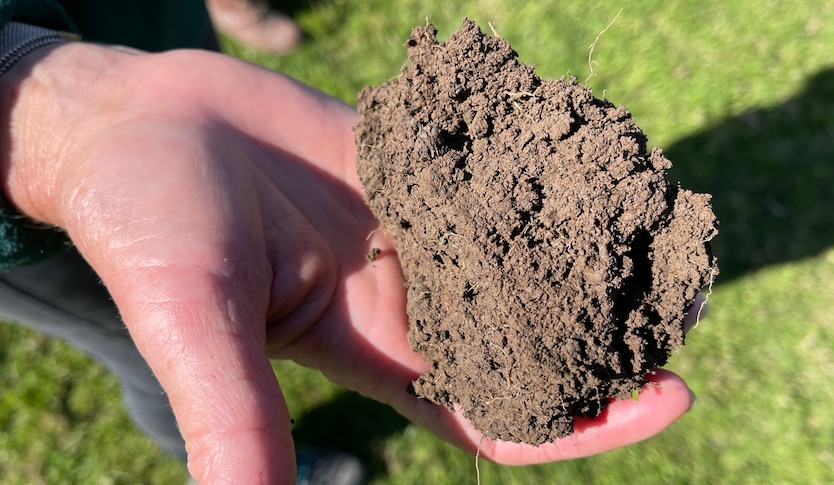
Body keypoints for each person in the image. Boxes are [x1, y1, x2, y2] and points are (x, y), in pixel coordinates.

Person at [0, 2, 696, 484]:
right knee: (150, 345)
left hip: (139, 41)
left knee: (188, 323)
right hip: (24, 191)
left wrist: (82, 74)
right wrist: (34, 103)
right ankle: (279, 461)